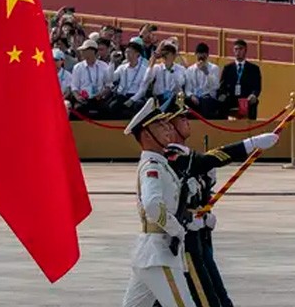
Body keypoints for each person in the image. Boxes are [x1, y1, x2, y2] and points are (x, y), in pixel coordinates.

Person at [163, 96, 278, 307]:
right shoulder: (171, 157)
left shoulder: (188, 157)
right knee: (205, 298)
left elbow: (198, 188)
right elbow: (206, 161)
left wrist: (205, 211)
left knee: (217, 296)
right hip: (184, 242)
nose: (187, 121)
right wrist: (250, 144)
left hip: (200, 237)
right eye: (182, 118)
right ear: (170, 126)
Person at [119, 97, 194, 307]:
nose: (168, 128)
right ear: (146, 135)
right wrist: (176, 229)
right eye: (159, 125)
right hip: (159, 253)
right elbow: (152, 205)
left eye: (166, 123)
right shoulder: (152, 166)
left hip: (151, 253)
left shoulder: (161, 164)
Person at [216, 40, 262, 119]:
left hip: (245, 98)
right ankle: (222, 125)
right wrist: (223, 94)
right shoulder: (228, 68)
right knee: (221, 102)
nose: (238, 52)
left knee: (253, 102)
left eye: (240, 49)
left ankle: (251, 125)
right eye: (236, 49)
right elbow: (222, 86)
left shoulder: (254, 69)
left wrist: (253, 95)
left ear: (245, 50)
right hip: (231, 98)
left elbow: (257, 87)